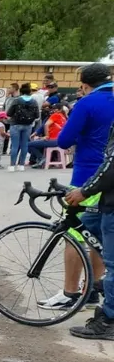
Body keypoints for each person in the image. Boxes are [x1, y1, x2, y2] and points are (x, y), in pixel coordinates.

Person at [44, 63, 114, 311]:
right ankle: (93, 288)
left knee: (73, 235)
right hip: (110, 180)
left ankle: (70, 292)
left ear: (84, 84)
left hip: (86, 177)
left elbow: (64, 140)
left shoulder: (87, 103)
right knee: (98, 237)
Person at [64, 122, 114, 340]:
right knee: (90, 222)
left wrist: (85, 190)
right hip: (106, 196)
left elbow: (111, 165)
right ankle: (98, 285)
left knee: (112, 264)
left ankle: (109, 321)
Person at [6, 84, 38, 171]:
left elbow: (9, 113)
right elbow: (37, 115)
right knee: (24, 145)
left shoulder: (16, 100)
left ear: (21, 91)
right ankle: (21, 165)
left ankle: (12, 166)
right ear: (30, 92)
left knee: (15, 146)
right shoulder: (34, 101)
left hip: (15, 124)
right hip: (28, 125)